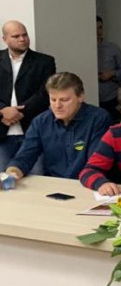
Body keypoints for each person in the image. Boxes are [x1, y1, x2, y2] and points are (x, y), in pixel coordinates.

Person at [5, 72, 110, 180]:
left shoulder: (98, 118)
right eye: (53, 100)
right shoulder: (41, 122)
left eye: (64, 100)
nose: (57, 106)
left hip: (87, 183)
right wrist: (12, 173)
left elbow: (96, 161)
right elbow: (25, 156)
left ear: (80, 97)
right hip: (54, 184)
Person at [0, 21, 56, 169]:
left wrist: (17, 112)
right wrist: (3, 111)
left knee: (36, 179)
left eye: (24, 34)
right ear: (4, 39)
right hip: (2, 130)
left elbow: (45, 93)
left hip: (33, 129)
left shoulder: (45, 61)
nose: (22, 39)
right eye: (16, 36)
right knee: (4, 182)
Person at [96, 16, 121, 122]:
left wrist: (111, 74)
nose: (98, 31)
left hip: (111, 96)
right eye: (95, 28)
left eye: (100, 27)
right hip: (93, 96)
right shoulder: (83, 48)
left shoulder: (112, 48)